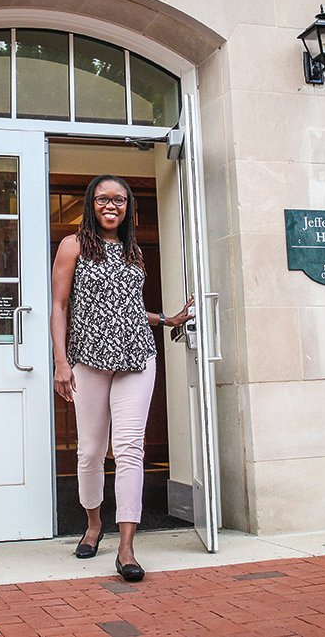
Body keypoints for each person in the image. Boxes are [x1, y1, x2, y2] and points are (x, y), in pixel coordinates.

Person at [50, 174, 194, 582]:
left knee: (129, 448)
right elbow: (59, 308)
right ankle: (94, 525)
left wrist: (166, 319)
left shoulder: (133, 251)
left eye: (119, 199)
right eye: (102, 199)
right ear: (91, 203)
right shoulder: (73, 245)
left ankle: (127, 546)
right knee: (91, 451)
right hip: (89, 360)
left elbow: (128, 309)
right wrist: (61, 361)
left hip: (136, 357)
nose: (110, 206)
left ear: (128, 205)